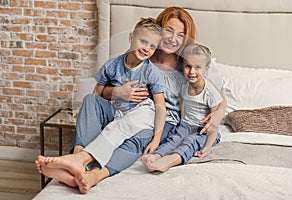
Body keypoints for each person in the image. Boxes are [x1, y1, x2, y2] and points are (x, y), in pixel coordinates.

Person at [36, 7, 226, 194]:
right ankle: (77, 159)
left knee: (139, 137)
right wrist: (118, 92)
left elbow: (218, 98)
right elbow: (101, 92)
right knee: (91, 101)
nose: (172, 38)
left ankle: (95, 174)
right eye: (168, 30)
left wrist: (216, 117)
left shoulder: (188, 66)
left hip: (162, 121)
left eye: (180, 34)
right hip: (126, 111)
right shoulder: (138, 56)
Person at [35, 17, 166, 186]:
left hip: (144, 113)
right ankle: (78, 157)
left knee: (116, 128)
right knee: (89, 100)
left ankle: (79, 160)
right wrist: (113, 96)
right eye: (143, 41)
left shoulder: (151, 71)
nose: (147, 48)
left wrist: (156, 139)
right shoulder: (112, 65)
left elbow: (160, 106)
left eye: (152, 46)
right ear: (131, 37)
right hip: (119, 113)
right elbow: (96, 95)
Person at [141, 43, 223, 172]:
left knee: (190, 141)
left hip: (204, 131)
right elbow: (183, 106)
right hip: (186, 125)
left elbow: (214, 125)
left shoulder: (210, 92)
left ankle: (171, 160)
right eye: (188, 66)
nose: (192, 72)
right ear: (182, 66)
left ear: (207, 69)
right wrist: (181, 124)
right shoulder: (185, 86)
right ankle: (155, 156)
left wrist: (207, 147)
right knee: (173, 139)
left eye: (197, 67)